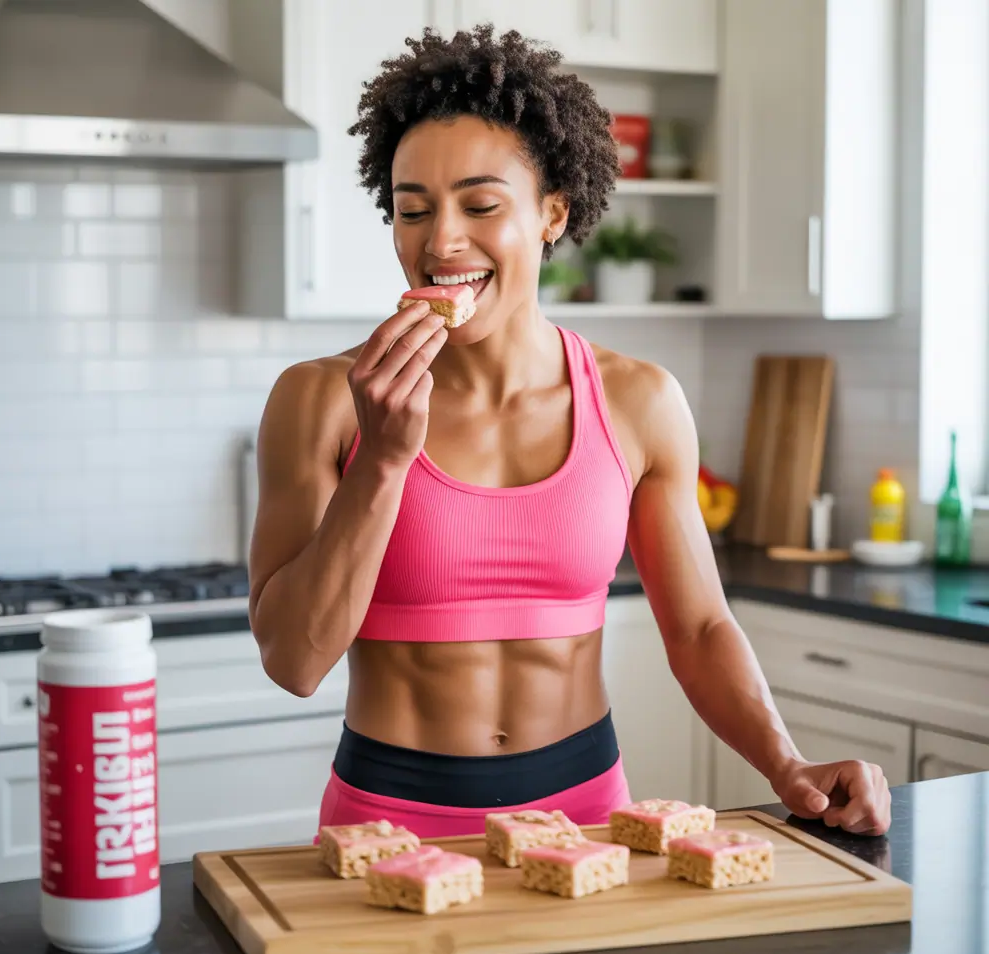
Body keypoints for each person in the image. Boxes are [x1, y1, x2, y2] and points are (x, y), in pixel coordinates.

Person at [247, 25, 891, 839]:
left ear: (553, 213)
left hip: (587, 819)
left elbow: (697, 629)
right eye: (413, 210)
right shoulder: (322, 400)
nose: (440, 241)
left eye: (480, 205)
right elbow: (293, 663)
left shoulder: (640, 401)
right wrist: (382, 461)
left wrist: (786, 764)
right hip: (389, 820)